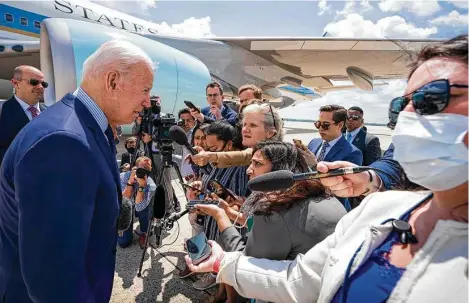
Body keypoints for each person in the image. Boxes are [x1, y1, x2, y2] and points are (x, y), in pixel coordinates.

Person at [184, 35, 469, 303]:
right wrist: (224, 263)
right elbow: (304, 279)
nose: (407, 115)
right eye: (401, 104)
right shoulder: (381, 208)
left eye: (430, 99)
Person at [0, 40, 154, 303]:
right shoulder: (64, 141)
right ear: (113, 81)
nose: (147, 101)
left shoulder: (83, 124)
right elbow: (54, 281)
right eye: (145, 89)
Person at [195, 141, 346, 302]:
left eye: (257, 164)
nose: (248, 170)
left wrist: (220, 216)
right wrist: (230, 212)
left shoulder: (274, 208)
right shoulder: (326, 196)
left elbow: (246, 265)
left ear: (280, 171)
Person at [190, 101, 283, 168]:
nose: (245, 129)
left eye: (253, 125)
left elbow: (245, 156)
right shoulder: (250, 147)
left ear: (270, 133)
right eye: (244, 124)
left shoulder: (277, 153)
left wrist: (208, 156)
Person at [0, 65, 48, 165]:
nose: (40, 87)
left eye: (43, 84)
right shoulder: (2, 111)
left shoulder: (51, 112)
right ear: (16, 83)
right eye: (34, 82)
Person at [117, 156, 157, 249]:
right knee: (123, 243)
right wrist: (130, 182)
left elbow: (140, 207)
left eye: (147, 168)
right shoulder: (123, 176)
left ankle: (144, 232)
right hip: (126, 207)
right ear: (135, 168)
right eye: (142, 168)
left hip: (141, 209)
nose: (144, 171)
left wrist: (142, 186)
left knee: (145, 210)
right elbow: (123, 200)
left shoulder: (151, 184)